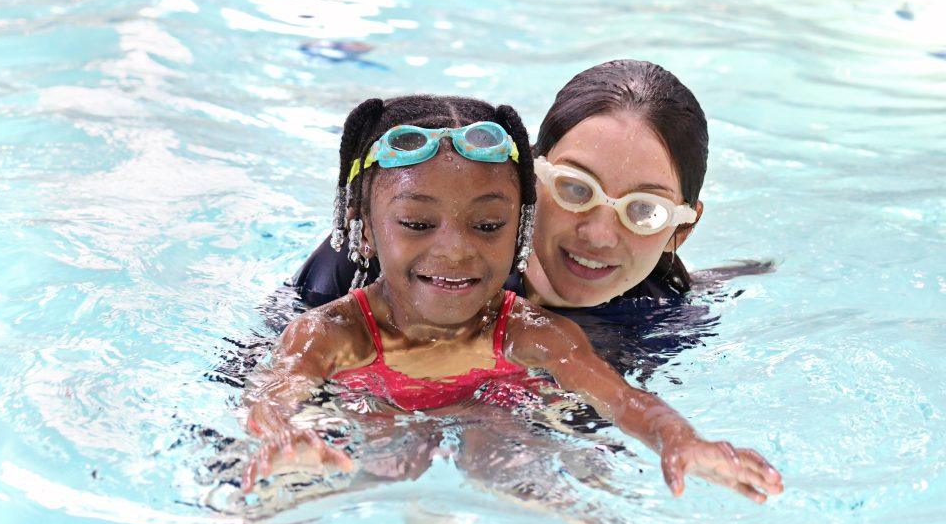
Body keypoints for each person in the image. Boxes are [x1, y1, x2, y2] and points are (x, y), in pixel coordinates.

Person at [242, 94, 783, 504]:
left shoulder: (532, 331)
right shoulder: (331, 329)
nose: (454, 250)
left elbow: (621, 399)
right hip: (375, 420)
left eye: (487, 224)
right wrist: (284, 435)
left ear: (521, 228)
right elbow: (273, 390)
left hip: (494, 417)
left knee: (513, 464)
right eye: (416, 223)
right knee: (378, 464)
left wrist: (679, 439)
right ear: (363, 229)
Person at [289, 59, 723, 315]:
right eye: (576, 188)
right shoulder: (385, 248)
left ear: (682, 231)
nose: (598, 235)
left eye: (645, 211)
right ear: (529, 179)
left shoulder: (657, 319)